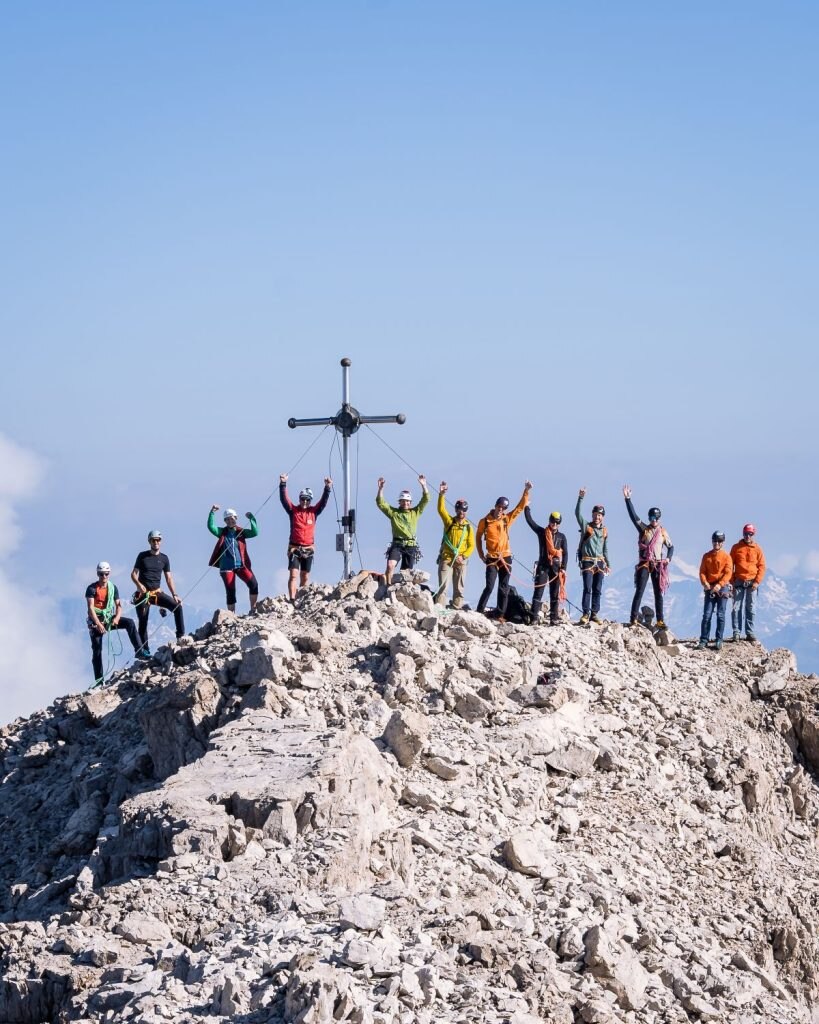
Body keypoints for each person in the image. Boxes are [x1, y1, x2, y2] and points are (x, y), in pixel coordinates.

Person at [85, 561, 148, 684]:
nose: (104, 577)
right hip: (96, 621)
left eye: (106, 574)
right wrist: (98, 624)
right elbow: (91, 608)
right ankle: (99, 680)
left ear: (109, 574)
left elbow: (118, 605)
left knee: (129, 623)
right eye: (101, 574)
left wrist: (117, 618)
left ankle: (139, 651)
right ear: (98, 574)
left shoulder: (112, 588)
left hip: (108, 618)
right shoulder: (92, 588)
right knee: (97, 650)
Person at [476, 483, 532, 618]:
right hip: (492, 557)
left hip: (505, 557)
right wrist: (481, 554)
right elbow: (478, 537)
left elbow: (519, 508)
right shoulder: (485, 521)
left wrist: (526, 491)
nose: (501, 509)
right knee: (489, 586)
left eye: (504, 507)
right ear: (495, 506)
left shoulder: (507, 519)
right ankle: (479, 611)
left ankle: (500, 613)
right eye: (499, 506)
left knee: (503, 587)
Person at [622, 486, 674, 629]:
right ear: (649, 518)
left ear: (659, 518)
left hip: (657, 564)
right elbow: (633, 517)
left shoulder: (663, 532)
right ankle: (633, 618)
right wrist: (628, 499)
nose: (654, 520)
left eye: (656, 518)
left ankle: (660, 620)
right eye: (652, 517)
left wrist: (668, 558)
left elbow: (671, 547)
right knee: (640, 590)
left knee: (659, 593)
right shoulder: (644, 529)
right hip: (645, 563)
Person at [279, 474, 332, 600]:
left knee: (305, 576)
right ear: (299, 499)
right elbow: (284, 500)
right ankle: (292, 599)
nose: (304, 502)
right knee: (293, 575)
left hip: (308, 549)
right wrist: (283, 484)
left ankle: (301, 597)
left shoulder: (313, 512)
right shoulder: (293, 510)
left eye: (307, 500)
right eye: (303, 499)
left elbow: (323, 502)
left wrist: (327, 487)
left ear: (310, 501)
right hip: (294, 548)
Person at [131, 530, 185, 652]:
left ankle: (181, 636)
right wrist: (139, 585)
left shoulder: (164, 558)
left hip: (156, 593)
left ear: (161, 542)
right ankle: (144, 650)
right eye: (153, 540)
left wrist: (174, 594)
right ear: (149, 541)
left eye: (158, 540)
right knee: (143, 622)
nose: (156, 542)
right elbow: (134, 574)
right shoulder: (142, 556)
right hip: (143, 594)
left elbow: (169, 578)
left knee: (178, 607)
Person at [376, 475, 430, 585]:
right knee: (390, 565)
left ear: (410, 502)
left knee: (406, 573)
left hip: (410, 545)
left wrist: (424, 485)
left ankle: (399, 591)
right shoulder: (394, 513)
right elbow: (381, 503)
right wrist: (381, 489)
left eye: (407, 501)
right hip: (397, 544)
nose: (405, 503)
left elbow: (426, 499)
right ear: (399, 502)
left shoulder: (415, 512)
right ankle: (388, 586)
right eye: (403, 501)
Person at [208, 505, 259, 612]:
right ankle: (231, 615)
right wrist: (212, 513)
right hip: (227, 568)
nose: (230, 521)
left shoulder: (241, 532)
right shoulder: (222, 532)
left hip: (241, 565)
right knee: (231, 590)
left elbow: (255, 533)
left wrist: (252, 519)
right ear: (225, 521)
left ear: (236, 518)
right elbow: (211, 527)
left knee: (253, 584)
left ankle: (253, 609)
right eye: (228, 519)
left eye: (232, 518)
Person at [434, 482, 475, 609]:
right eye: (459, 509)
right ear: (456, 509)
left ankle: (457, 608)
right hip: (446, 558)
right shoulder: (449, 522)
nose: (461, 512)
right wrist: (442, 494)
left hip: (460, 561)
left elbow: (471, 545)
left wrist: (463, 557)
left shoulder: (468, 527)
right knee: (443, 586)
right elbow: (441, 510)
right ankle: (439, 608)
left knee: (459, 588)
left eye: (464, 509)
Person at [525, 506, 568, 625]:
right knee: (538, 592)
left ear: (559, 524)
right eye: (552, 521)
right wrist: (526, 507)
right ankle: (533, 618)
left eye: (557, 522)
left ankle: (553, 619)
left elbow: (566, 553)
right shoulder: (542, 532)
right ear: (549, 521)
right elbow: (530, 521)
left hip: (556, 568)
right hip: (543, 566)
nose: (554, 524)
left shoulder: (562, 537)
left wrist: (564, 568)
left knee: (554, 594)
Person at [575, 488, 610, 625]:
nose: (597, 517)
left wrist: (609, 564)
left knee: (597, 589)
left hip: (600, 562)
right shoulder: (586, 526)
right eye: (595, 514)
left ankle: (594, 613)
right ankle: (585, 613)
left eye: (600, 515)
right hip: (588, 561)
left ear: (603, 517)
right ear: (592, 515)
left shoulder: (604, 530)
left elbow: (605, 548)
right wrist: (580, 498)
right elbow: (577, 514)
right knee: (588, 588)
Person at [697, 531, 733, 650]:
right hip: (710, 587)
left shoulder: (727, 557)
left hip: (722, 588)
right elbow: (702, 572)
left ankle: (719, 639)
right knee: (707, 615)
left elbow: (728, 573)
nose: (716, 543)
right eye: (715, 541)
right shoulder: (706, 556)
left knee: (720, 614)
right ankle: (704, 639)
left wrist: (720, 584)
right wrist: (705, 583)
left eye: (719, 541)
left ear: (723, 543)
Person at [730, 523, 766, 641]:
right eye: (746, 534)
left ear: (753, 534)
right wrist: (732, 581)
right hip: (739, 581)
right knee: (736, 608)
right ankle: (736, 632)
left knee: (751, 608)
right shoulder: (736, 548)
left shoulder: (758, 549)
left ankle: (749, 632)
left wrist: (757, 582)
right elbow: (729, 566)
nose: (747, 536)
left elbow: (762, 566)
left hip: (752, 582)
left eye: (750, 534)